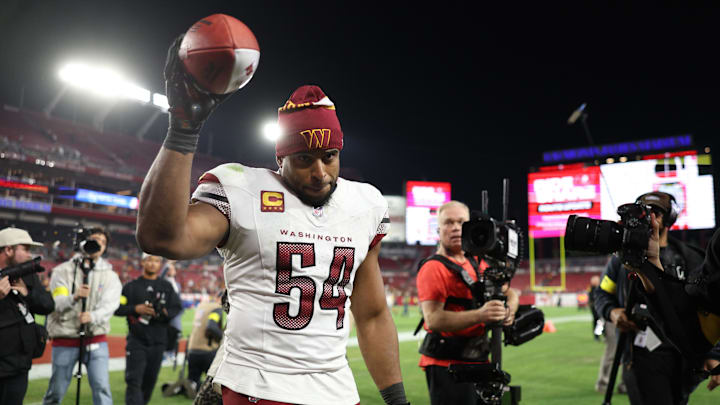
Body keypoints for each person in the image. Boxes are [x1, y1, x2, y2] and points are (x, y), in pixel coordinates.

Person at [135, 35, 410, 405]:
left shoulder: (365, 204)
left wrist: (396, 400)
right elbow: (161, 239)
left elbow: (373, 314)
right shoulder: (240, 188)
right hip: (253, 388)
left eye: (329, 156)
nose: (319, 173)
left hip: (337, 392)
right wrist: (183, 130)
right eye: (303, 159)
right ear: (279, 158)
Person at [594, 191, 705, 405]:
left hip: (681, 356)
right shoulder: (621, 259)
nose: (652, 217)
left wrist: (713, 354)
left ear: (669, 218)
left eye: (658, 212)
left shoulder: (690, 258)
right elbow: (602, 293)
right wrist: (611, 311)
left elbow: (707, 308)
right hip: (639, 354)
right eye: (646, 212)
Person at [416, 200, 519, 405]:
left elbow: (510, 293)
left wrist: (508, 311)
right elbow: (434, 319)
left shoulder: (478, 262)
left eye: (461, 222)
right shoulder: (433, 268)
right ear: (438, 229)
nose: (455, 227)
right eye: (448, 222)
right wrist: (482, 315)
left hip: (480, 360)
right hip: (448, 365)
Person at [43, 227, 120, 405]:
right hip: (65, 337)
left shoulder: (110, 276)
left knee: (102, 389)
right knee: (56, 390)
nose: (98, 244)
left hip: (95, 339)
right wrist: (75, 297)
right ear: (83, 243)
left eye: (103, 242)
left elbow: (110, 304)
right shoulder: (62, 271)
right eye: (94, 239)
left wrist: (92, 316)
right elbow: (58, 303)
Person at [115, 253, 182, 405]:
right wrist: (135, 309)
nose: (153, 263)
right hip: (136, 340)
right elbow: (118, 308)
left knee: (149, 382)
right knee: (133, 381)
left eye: (156, 260)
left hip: (159, 342)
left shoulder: (166, 286)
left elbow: (176, 307)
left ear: (160, 264)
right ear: (142, 262)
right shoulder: (130, 287)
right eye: (149, 260)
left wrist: (163, 312)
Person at [0, 227, 54, 405]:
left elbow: (48, 305)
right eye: (25, 249)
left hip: (19, 366)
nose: (30, 255)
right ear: (9, 250)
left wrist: (27, 293)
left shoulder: (27, 276)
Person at [187, 292, 223, 394]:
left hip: (192, 349)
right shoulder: (216, 309)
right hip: (207, 350)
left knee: (193, 382)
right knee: (214, 386)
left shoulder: (202, 306)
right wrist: (222, 338)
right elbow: (211, 326)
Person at [162, 260, 183, 362]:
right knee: (168, 333)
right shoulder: (164, 281)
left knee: (176, 332)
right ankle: (166, 353)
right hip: (168, 312)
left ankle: (172, 353)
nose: (173, 270)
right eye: (170, 269)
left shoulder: (177, 284)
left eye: (173, 268)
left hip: (177, 312)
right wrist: (167, 265)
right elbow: (160, 276)